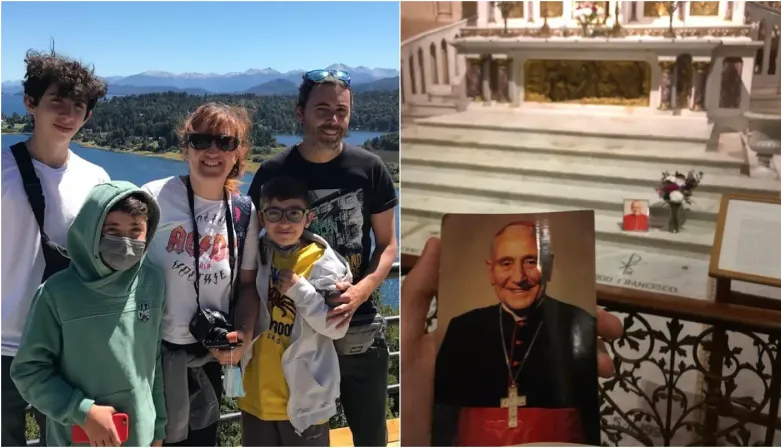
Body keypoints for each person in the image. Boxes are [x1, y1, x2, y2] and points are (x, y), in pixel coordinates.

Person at [247, 69, 398, 446]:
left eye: (341, 111)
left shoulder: (369, 168)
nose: (333, 120)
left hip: (355, 322)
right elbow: (249, 242)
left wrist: (361, 291)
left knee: (370, 434)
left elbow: (389, 245)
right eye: (323, 109)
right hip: (289, 331)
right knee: (302, 429)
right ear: (300, 113)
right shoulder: (273, 171)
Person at [400, 236, 625, 447]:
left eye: (531, 262)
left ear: (549, 266)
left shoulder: (577, 321)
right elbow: (444, 419)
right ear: (491, 271)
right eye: (506, 263)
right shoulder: (463, 327)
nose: (519, 277)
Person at [2, 49, 109, 447]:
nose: (67, 113)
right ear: (31, 103)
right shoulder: (3, 171)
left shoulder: (96, 178)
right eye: (56, 101)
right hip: (3, 344)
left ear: (88, 115)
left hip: (67, 345)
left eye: (78, 105)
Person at [10, 182, 165, 447]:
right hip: (77, 438)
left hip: (140, 436)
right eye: (112, 231)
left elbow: (153, 361)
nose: (126, 243)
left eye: (135, 231)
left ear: (148, 233)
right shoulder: (56, 294)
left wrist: (158, 428)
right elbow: (29, 371)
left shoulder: (152, 282)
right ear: (91, 230)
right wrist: (82, 411)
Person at [142, 103, 261, 446]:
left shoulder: (243, 211)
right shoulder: (154, 197)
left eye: (224, 142)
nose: (212, 151)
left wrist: (241, 339)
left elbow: (248, 285)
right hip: (153, 358)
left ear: (238, 152)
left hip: (210, 356)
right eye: (200, 141)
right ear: (186, 147)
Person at [238, 176, 353, 446]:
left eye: (294, 213)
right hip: (255, 394)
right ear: (263, 218)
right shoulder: (257, 253)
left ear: (308, 218)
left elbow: (336, 327)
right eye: (274, 213)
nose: (285, 222)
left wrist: (299, 290)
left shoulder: (323, 262)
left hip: (304, 399)